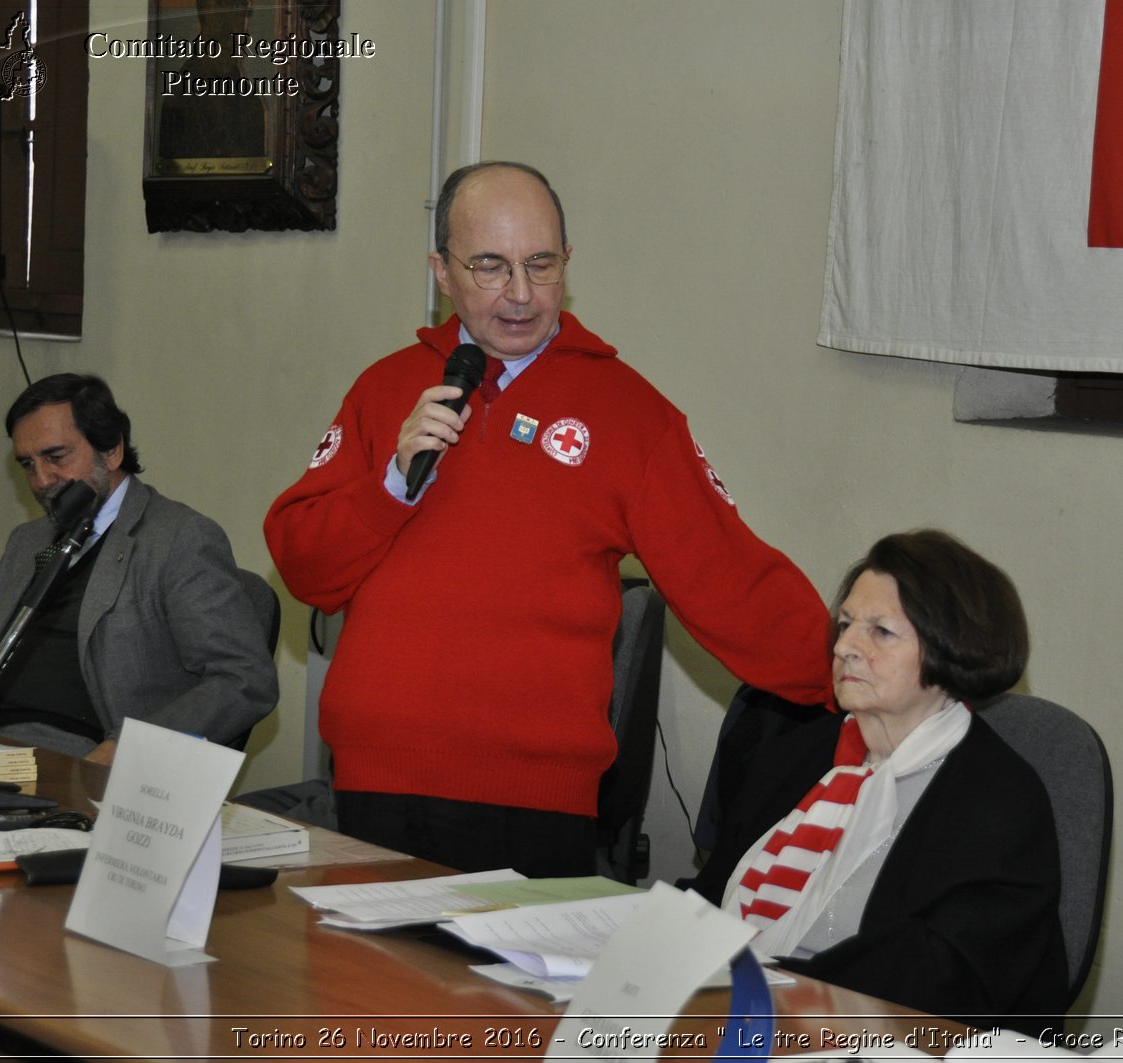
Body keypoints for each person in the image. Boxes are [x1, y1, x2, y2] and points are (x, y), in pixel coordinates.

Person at [263, 161, 832, 877]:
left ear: (569, 262)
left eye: (541, 264)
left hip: (533, 808)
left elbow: (730, 580)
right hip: (376, 786)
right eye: (491, 268)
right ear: (442, 271)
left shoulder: (629, 414)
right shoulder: (386, 390)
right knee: (366, 993)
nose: (522, 295)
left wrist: (852, 671)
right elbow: (304, 566)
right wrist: (390, 485)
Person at [691, 530, 1069, 1034]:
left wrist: (758, 996)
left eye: (880, 632)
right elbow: (712, 894)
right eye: (845, 625)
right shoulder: (797, 749)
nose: (845, 646)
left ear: (949, 649)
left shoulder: (998, 799)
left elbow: (938, 984)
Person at [0, 374, 278, 763]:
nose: (41, 481)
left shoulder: (178, 538)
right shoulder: (28, 542)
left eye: (56, 457)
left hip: (85, 757)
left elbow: (244, 679)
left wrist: (128, 748)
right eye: (27, 464)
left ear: (111, 450)